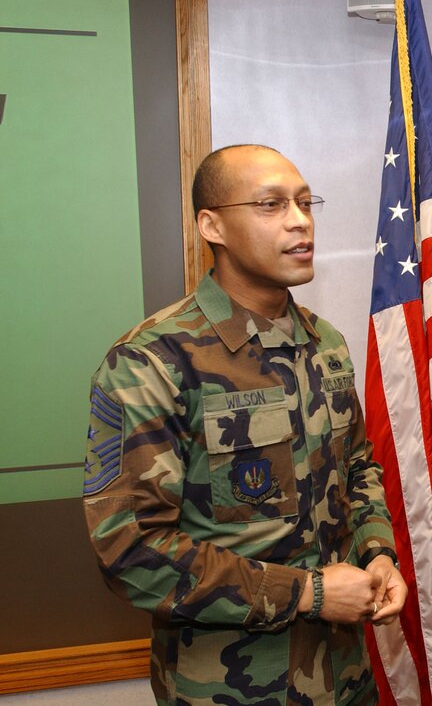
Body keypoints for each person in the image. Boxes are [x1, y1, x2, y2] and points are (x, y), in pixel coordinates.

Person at [83, 144, 406, 705]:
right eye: (270, 204)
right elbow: (132, 551)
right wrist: (309, 593)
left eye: (306, 203)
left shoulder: (325, 343)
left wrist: (378, 552)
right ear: (212, 225)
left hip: (345, 675)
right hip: (229, 687)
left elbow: (356, 466)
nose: (300, 221)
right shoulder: (152, 360)